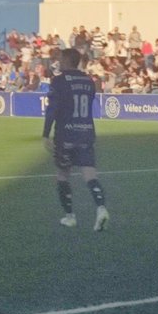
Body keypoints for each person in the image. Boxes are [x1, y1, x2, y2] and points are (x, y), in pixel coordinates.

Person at [42, 47, 109, 231]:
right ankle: (101, 208)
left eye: (61, 59)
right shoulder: (88, 80)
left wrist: (45, 134)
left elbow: (52, 110)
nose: (59, 62)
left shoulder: (59, 81)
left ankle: (70, 216)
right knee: (90, 175)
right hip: (86, 133)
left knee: (63, 175)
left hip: (66, 134)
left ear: (68, 61)